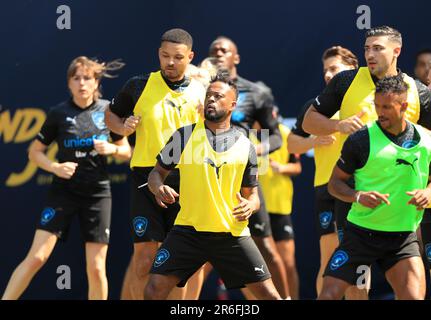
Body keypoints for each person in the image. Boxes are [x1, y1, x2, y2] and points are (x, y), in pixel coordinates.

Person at [302, 27, 431, 297]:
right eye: (366, 48)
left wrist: (428, 190)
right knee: (356, 283)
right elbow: (308, 121)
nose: (369, 54)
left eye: (377, 48)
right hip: (354, 200)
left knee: (412, 289)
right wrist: (338, 124)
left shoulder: (418, 91)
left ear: (397, 51)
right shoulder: (345, 81)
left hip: (402, 205)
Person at [2, 56, 131, 300]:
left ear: (96, 83)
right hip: (63, 192)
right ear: (69, 84)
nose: (82, 83)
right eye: (76, 78)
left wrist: (113, 149)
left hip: (97, 194)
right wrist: (55, 167)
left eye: (87, 78)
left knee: (95, 267)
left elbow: (127, 152)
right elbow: (34, 152)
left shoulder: (107, 111)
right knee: (37, 257)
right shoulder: (58, 113)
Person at [144, 73, 281, 300]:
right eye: (209, 95)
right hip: (188, 232)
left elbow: (253, 195)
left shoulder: (247, 145)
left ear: (232, 105)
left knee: (270, 295)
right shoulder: (183, 136)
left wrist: (250, 206)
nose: (211, 100)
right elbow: (155, 174)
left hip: (231, 234)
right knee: (153, 290)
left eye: (218, 96)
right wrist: (158, 188)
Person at [105, 28, 205, 300]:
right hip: (145, 178)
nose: (170, 62)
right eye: (165, 56)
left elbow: (222, 134)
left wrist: (207, 118)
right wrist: (122, 127)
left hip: (187, 180)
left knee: (183, 263)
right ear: (158, 55)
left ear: (190, 57)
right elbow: (111, 116)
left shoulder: (203, 92)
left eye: (178, 57)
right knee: (144, 259)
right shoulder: (138, 85)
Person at [208, 36, 289, 299]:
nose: (219, 53)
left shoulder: (256, 92)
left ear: (236, 57)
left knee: (265, 247)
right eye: (214, 51)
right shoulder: (199, 90)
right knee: (199, 254)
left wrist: (256, 149)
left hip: (243, 179)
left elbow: (275, 136)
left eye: (225, 50)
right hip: (206, 180)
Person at [287, 46, 369, 298]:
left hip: (358, 186)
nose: (327, 75)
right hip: (325, 186)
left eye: (334, 69)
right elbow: (291, 143)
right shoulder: (314, 108)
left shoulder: (367, 102)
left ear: (352, 70)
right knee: (329, 259)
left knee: (358, 263)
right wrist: (314, 140)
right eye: (325, 70)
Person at [258, 106, 302, 299]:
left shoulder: (285, 133)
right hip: (255, 210)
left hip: (279, 208)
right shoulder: (247, 135)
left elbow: (297, 166)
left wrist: (282, 168)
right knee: (257, 269)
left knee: (287, 264)